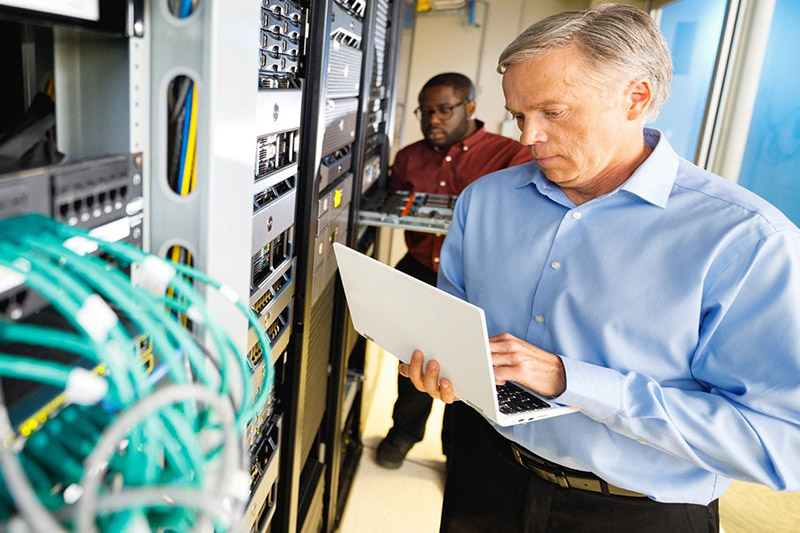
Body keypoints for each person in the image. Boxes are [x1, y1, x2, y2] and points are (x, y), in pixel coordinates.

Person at [400, 4, 800, 532]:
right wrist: (440, 365)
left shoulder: (745, 239)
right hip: (485, 474)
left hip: (633, 511)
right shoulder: (486, 201)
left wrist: (572, 380)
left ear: (635, 98)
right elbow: (452, 323)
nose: (527, 137)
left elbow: (780, 444)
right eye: (520, 115)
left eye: (553, 112)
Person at [376, 73, 531, 469]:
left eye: (444, 110)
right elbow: (389, 203)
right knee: (412, 360)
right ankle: (402, 433)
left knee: (466, 370)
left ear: (471, 107)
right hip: (420, 269)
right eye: (426, 112)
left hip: (477, 280)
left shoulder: (510, 156)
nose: (433, 121)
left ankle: (453, 452)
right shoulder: (410, 157)